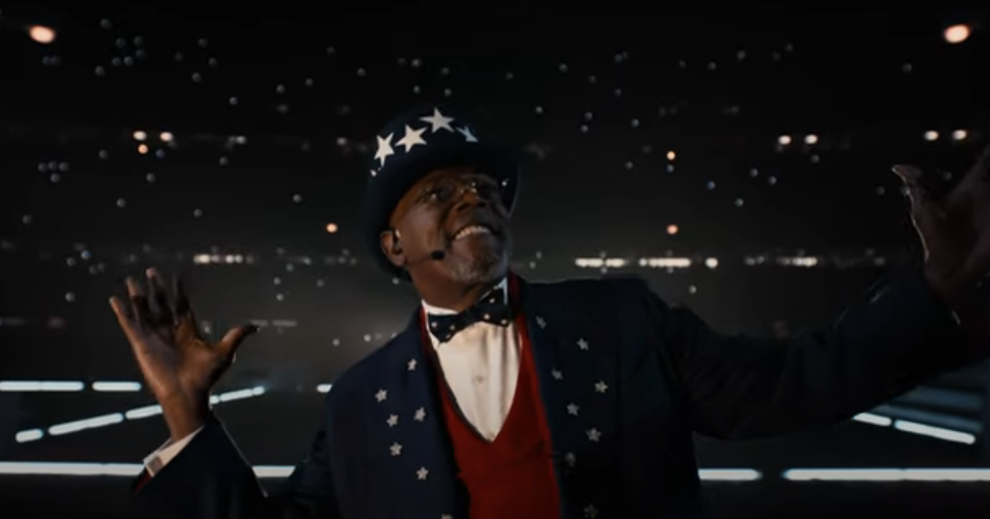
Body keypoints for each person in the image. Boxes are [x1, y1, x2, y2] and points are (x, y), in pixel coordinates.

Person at [110, 105, 990, 519]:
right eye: (439, 192)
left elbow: (793, 383)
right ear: (393, 246)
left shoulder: (624, 321)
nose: (473, 198)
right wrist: (187, 414)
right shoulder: (355, 403)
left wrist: (936, 291)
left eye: (484, 186)